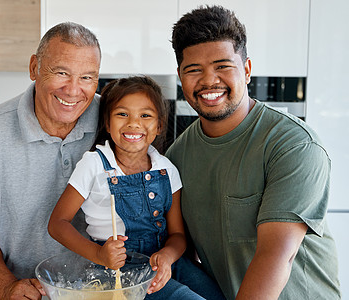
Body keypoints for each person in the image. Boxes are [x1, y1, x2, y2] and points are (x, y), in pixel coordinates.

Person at [166, 5, 341, 300]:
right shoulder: (176, 157)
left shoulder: (293, 145)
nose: (209, 81)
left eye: (223, 66)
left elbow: (276, 257)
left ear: (246, 70)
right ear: (181, 78)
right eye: (194, 70)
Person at [0, 22, 101, 300]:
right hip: (30, 293)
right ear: (34, 68)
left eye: (87, 77)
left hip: (107, 290)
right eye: (61, 72)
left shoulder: (115, 123)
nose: (73, 90)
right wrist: (6, 286)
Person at [48, 76, 225, 299]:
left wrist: (168, 256)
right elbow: (57, 224)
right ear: (107, 123)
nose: (133, 123)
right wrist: (99, 255)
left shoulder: (167, 169)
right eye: (122, 114)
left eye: (145, 115)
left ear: (159, 125)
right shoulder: (94, 164)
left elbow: (178, 234)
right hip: (119, 271)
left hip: (166, 261)